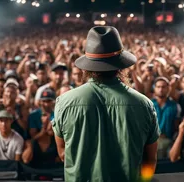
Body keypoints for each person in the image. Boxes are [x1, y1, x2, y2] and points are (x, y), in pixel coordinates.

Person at [52, 26, 160, 182]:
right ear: (121, 65)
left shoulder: (65, 102)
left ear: (88, 67)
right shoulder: (144, 105)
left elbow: (63, 154)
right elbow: (150, 160)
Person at [151, 77, 181, 159]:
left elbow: (177, 125)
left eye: (163, 87)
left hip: (169, 141)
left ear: (168, 88)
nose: (161, 89)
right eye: (158, 87)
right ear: (154, 88)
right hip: (152, 143)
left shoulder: (175, 106)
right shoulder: (148, 105)